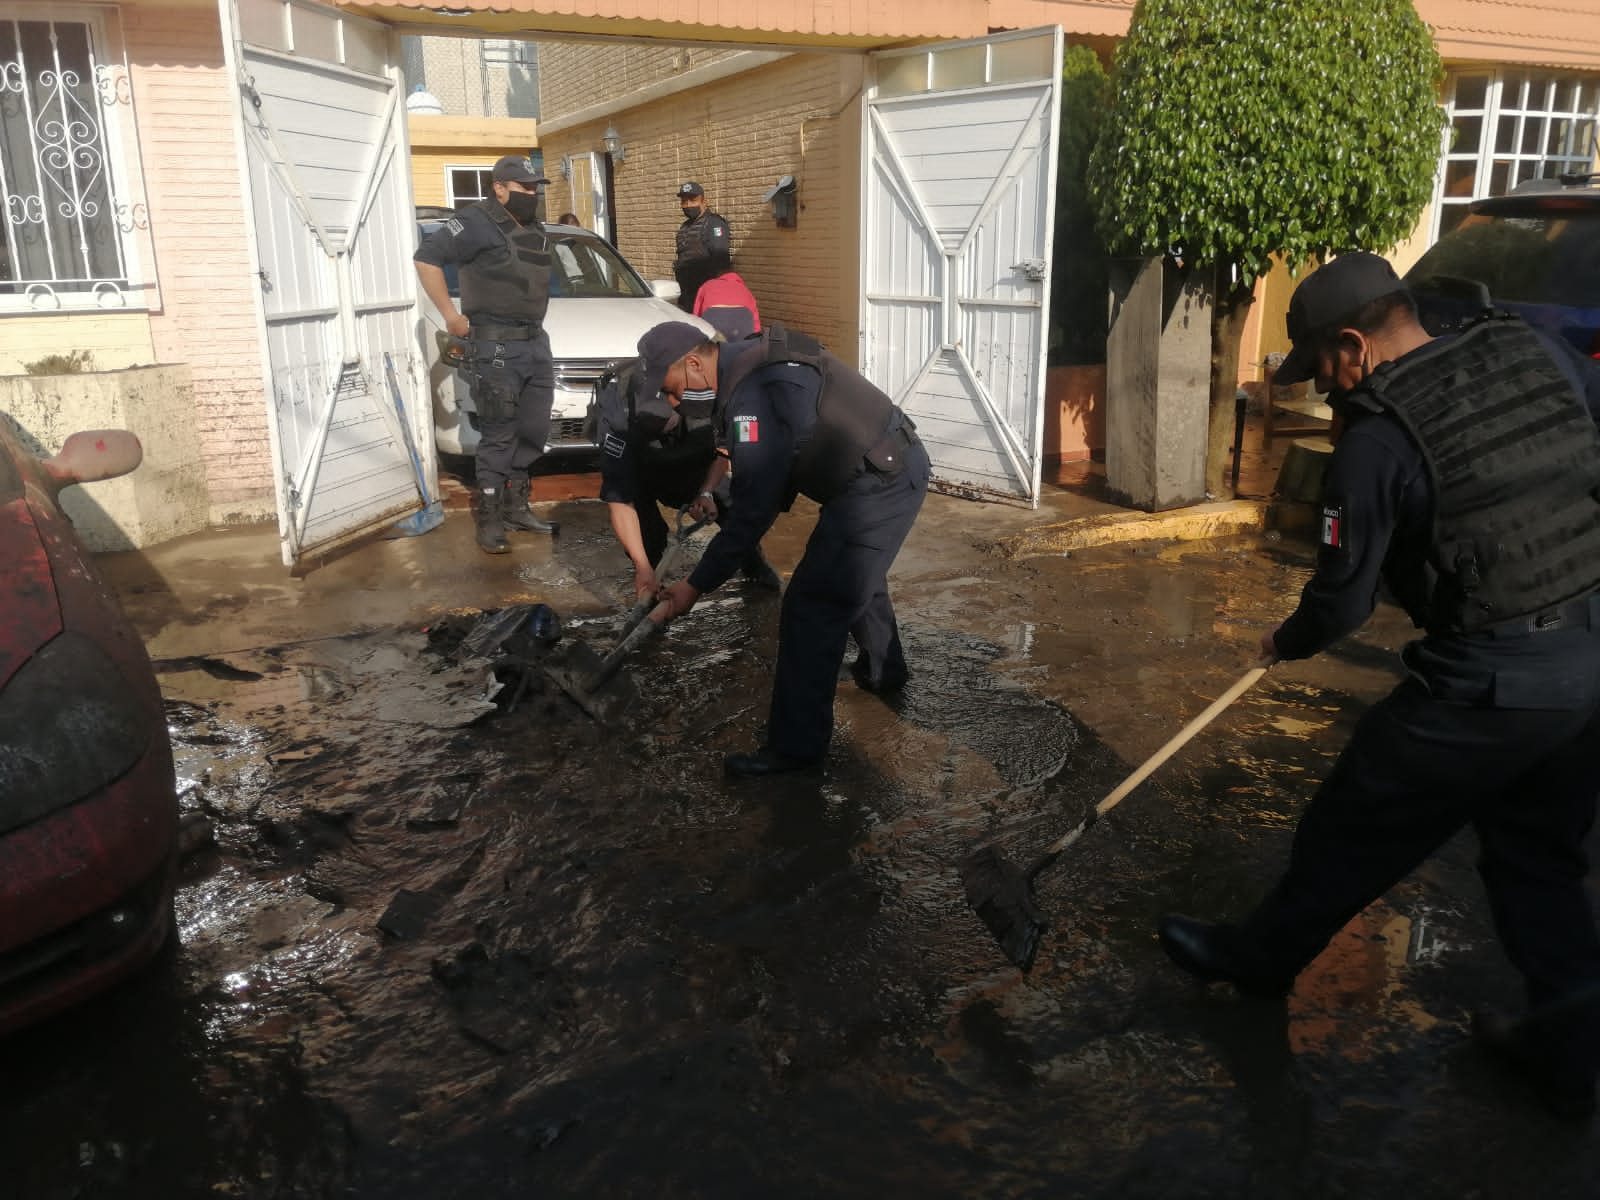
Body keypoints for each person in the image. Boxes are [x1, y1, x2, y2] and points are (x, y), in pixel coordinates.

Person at [1156, 252, 1600, 1119]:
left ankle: (1258, 961)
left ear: (1352, 344)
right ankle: (1571, 1050)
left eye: (1320, 366)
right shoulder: (1533, 356)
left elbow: (1343, 600)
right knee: (1537, 863)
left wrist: (1285, 642)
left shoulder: (1380, 439)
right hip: (1591, 661)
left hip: (1490, 680)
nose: (1321, 388)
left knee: (1354, 821)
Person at [640, 320, 930, 777]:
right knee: (850, 573)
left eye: (673, 390)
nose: (674, 403)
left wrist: (694, 586)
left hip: (879, 482)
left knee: (811, 605)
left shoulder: (755, 394)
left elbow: (754, 512)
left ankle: (794, 751)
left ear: (694, 364)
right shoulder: (746, 359)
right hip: (886, 465)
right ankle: (883, 670)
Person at [414, 154, 560, 555]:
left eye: (535, 188)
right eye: (524, 188)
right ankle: (491, 520)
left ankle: (517, 507)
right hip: (495, 347)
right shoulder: (475, 222)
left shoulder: (532, 226)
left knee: (532, 431)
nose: (532, 195)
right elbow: (426, 258)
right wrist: (450, 315)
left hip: (535, 343)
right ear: (499, 188)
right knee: (499, 434)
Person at [592, 350, 781, 599]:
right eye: (649, 422)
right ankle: (650, 583)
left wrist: (706, 492)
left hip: (693, 466)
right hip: (639, 472)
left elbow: (723, 452)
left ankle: (752, 562)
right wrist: (643, 567)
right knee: (648, 543)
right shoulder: (617, 415)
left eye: (662, 421)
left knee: (736, 510)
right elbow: (620, 500)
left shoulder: (705, 395)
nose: (657, 428)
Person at [672, 182, 730, 315]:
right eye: (684, 201)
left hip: (707, 295)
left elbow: (721, 262)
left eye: (693, 200)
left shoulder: (714, 223)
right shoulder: (684, 227)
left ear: (704, 201)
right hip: (686, 295)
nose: (688, 205)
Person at [693, 254, 761, 342]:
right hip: (741, 331)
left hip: (714, 330)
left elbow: (696, 317)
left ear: (718, 275)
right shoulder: (745, 290)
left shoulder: (707, 285)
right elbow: (756, 326)